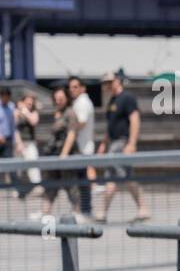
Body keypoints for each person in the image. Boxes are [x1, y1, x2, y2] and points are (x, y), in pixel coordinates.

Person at [96, 71, 150, 222]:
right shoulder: (112, 100)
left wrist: (131, 143)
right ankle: (141, 209)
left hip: (123, 142)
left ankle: (104, 212)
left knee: (119, 175)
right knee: (120, 177)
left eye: (109, 82)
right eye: (104, 83)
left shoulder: (127, 98)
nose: (106, 85)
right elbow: (110, 126)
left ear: (117, 81)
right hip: (113, 143)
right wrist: (103, 144)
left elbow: (134, 120)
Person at [38, 87, 79, 219]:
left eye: (61, 98)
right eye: (56, 99)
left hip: (65, 156)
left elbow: (72, 134)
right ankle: (45, 213)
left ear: (67, 98)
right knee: (50, 185)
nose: (58, 101)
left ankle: (77, 213)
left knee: (70, 185)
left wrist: (64, 155)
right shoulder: (58, 113)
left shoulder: (70, 113)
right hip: (53, 156)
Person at [66, 77, 96, 218]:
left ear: (83, 88)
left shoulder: (82, 102)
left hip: (83, 147)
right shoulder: (80, 101)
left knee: (83, 182)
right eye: (71, 87)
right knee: (81, 181)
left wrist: (70, 131)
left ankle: (85, 211)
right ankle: (83, 210)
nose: (72, 89)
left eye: (75, 86)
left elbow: (82, 123)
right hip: (82, 146)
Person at [14, 92, 43, 198]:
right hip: (19, 143)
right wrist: (19, 143)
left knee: (33, 164)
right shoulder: (16, 112)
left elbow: (34, 121)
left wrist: (25, 110)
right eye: (27, 103)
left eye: (31, 104)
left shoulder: (33, 112)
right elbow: (14, 128)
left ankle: (37, 187)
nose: (29, 105)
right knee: (18, 168)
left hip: (30, 143)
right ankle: (18, 189)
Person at [0, 87, 13, 189]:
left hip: (8, 139)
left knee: (9, 162)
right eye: (3, 96)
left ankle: (9, 185)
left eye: (7, 97)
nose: (5, 99)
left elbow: (13, 124)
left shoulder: (11, 107)